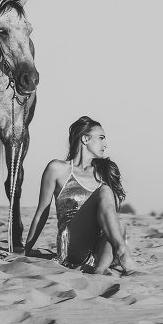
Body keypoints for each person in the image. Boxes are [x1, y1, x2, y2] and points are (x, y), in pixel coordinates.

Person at [24, 116, 134, 274]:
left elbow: (110, 214)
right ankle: (122, 256)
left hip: (98, 252)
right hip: (71, 251)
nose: (105, 144)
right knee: (104, 191)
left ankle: (99, 272)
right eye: (101, 138)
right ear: (85, 139)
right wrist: (26, 249)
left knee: (120, 224)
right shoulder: (57, 169)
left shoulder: (102, 174)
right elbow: (42, 212)